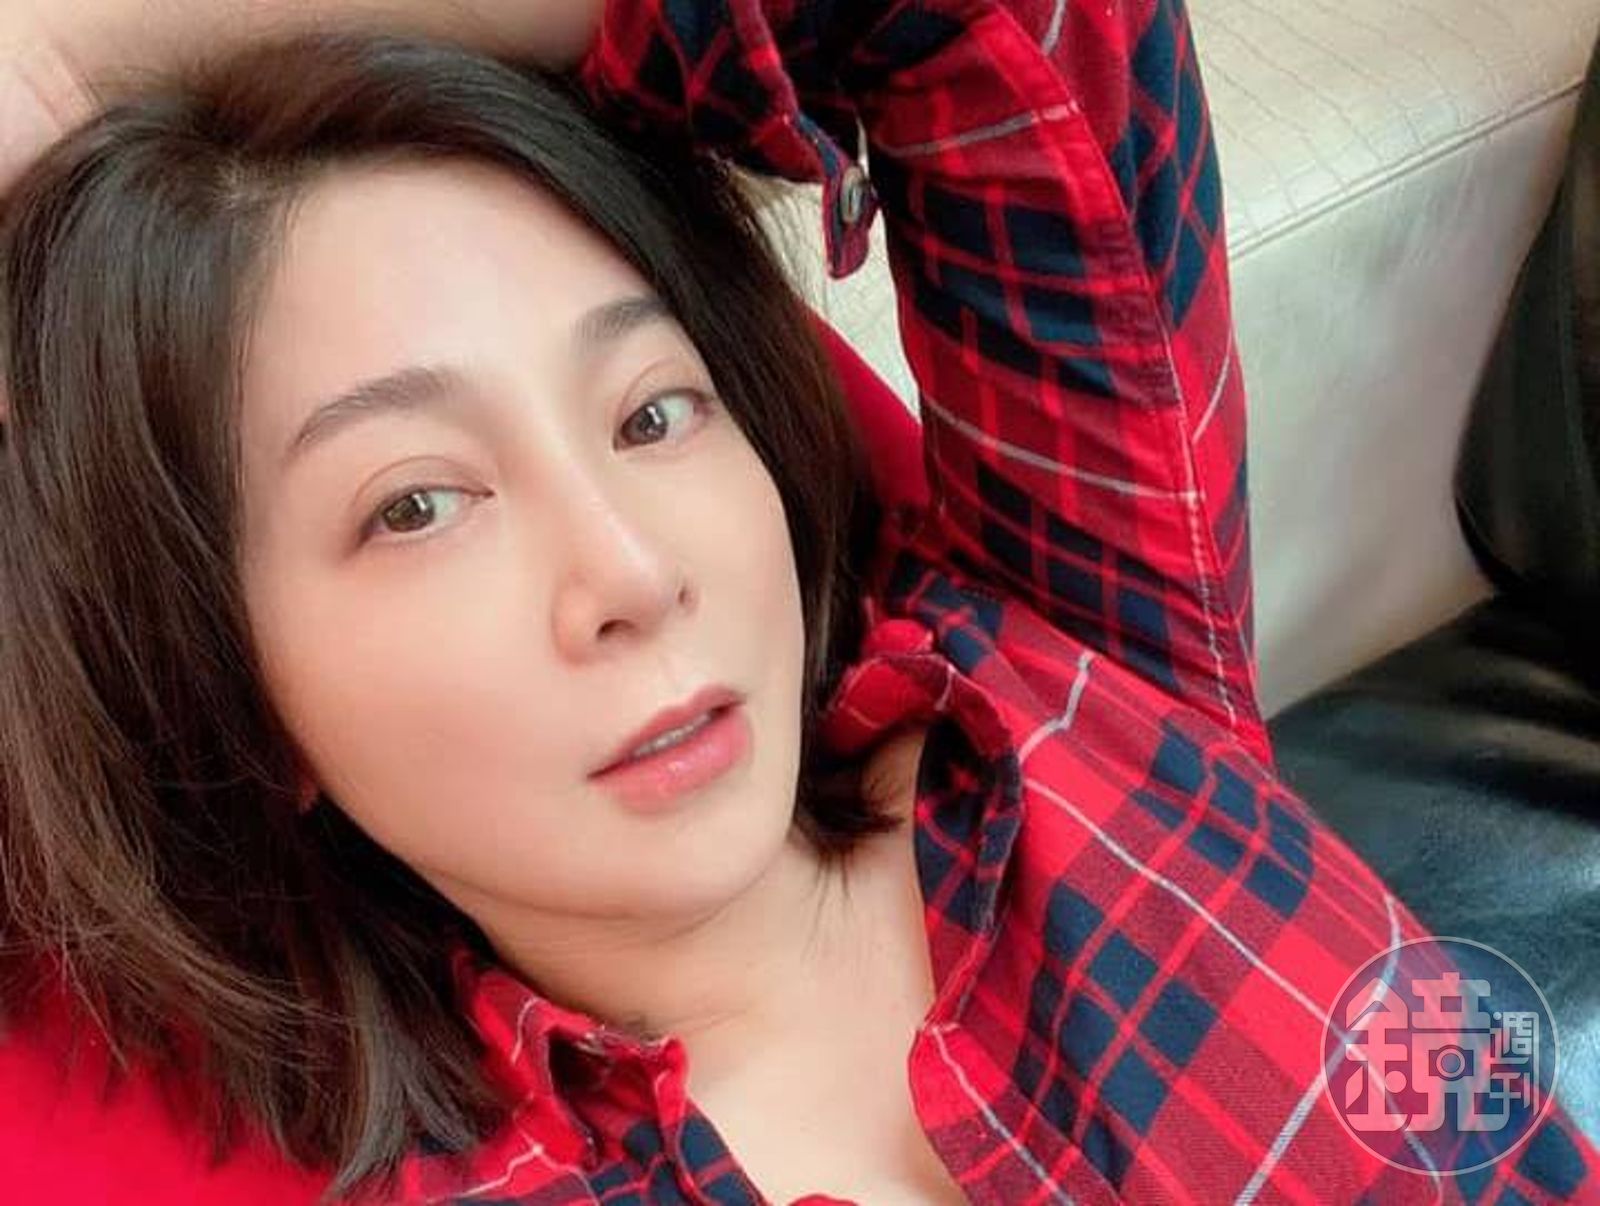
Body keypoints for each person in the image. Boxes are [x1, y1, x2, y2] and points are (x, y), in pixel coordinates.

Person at [0, 2, 1595, 1204]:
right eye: (416, 504)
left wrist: (71, 47)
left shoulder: (1073, 664)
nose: (634, 574)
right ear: (239, 697)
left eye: (652, 411)